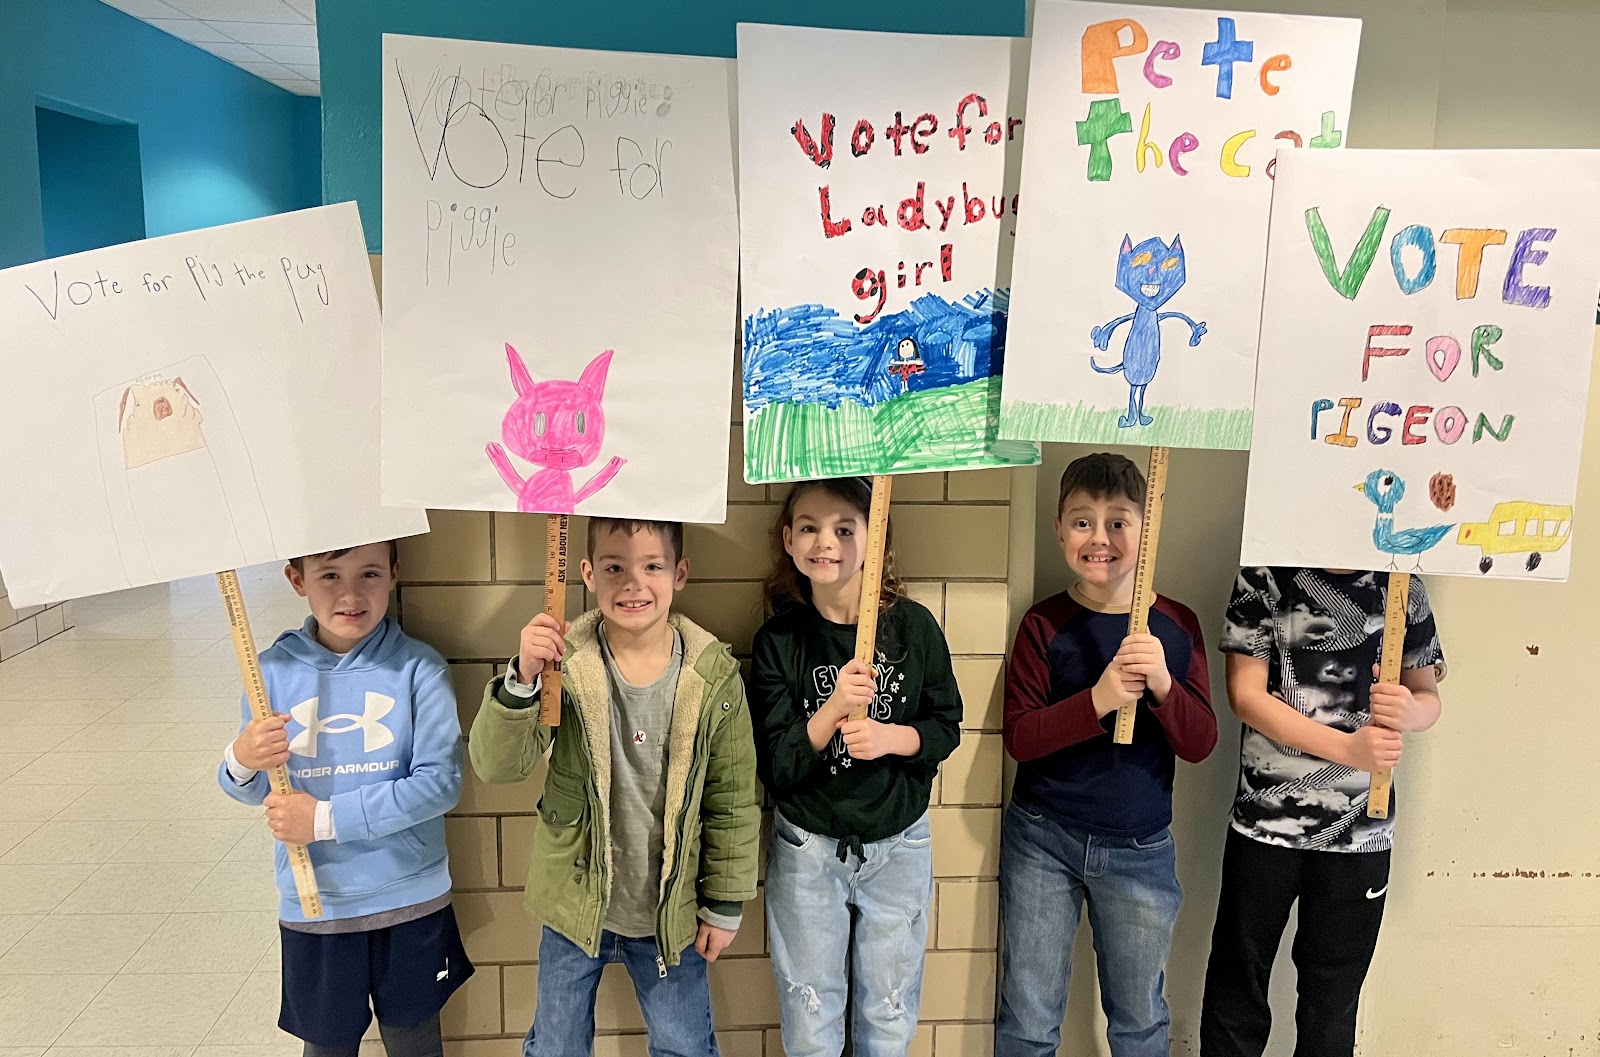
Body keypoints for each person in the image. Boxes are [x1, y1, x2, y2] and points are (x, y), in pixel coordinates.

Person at [470, 517, 759, 1057]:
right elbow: (496, 765)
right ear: (586, 574)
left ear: (681, 574)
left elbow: (734, 800)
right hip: (575, 904)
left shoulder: (712, 677)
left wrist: (724, 903)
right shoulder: (565, 663)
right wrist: (524, 678)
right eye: (614, 567)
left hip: (670, 911)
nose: (633, 583)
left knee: (685, 1046)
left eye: (652, 566)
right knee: (557, 1046)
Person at [995, 453, 1217, 1057]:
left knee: (1140, 1016)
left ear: (1147, 529)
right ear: (1059, 532)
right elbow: (1021, 738)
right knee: (1028, 1012)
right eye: (1082, 521)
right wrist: (1100, 699)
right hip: (1042, 840)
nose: (1100, 538)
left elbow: (1200, 743)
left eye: (1119, 521)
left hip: (1140, 849)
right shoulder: (1044, 624)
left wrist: (1165, 686)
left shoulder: (1175, 625)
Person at [219, 540, 470, 1057]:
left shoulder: (419, 669)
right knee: (327, 1045)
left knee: (416, 1042)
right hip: (317, 900)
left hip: (409, 895)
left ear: (395, 574)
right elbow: (263, 792)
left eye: (370, 574)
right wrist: (242, 758)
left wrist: (327, 819)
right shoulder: (268, 672)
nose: (351, 594)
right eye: (330, 576)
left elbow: (440, 784)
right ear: (296, 580)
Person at [749, 477, 963, 1057]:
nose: (828, 542)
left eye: (846, 528)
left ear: (876, 539)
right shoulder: (779, 641)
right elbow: (777, 767)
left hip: (898, 844)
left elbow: (947, 726)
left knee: (888, 1012)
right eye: (811, 528)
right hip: (807, 849)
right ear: (788, 541)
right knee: (810, 1010)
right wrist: (832, 710)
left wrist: (893, 737)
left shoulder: (912, 628)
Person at [1200, 566, 1445, 1057]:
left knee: (1333, 998)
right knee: (1237, 985)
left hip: (1361, 833)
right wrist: (1348, 750)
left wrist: (1409, 710)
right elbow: (1244, 696)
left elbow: (1428, 697)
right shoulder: (1266, 574)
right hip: (1264, 824)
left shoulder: (1401, 586)